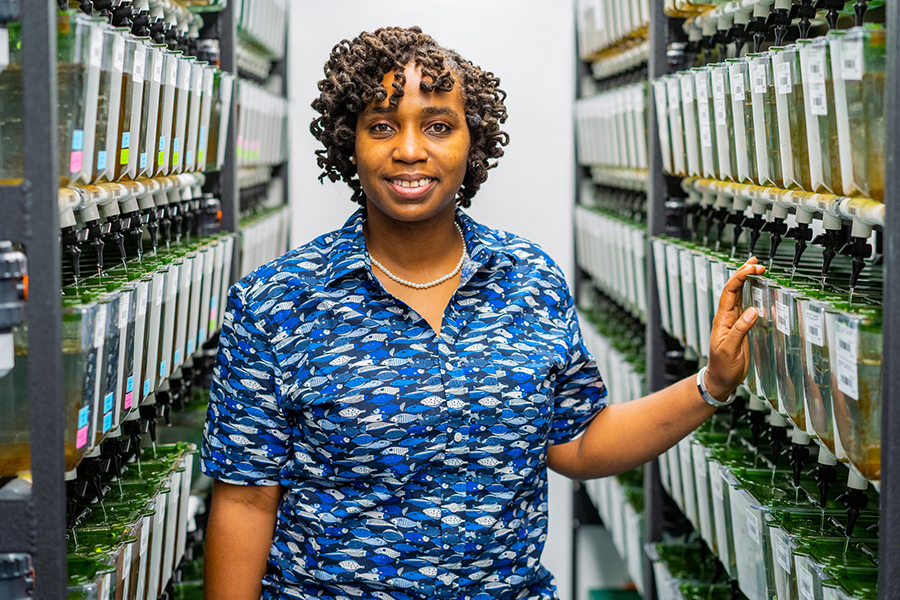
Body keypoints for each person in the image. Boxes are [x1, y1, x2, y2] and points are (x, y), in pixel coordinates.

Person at [201, 26, 764, 600]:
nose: (410, 150)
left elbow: (579, 442)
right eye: (381, 126)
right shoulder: (276, 302)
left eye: (439, 126)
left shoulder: (530, 280)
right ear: (350, 143)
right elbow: (245, 500)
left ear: (474, 141)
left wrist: (712, 383)